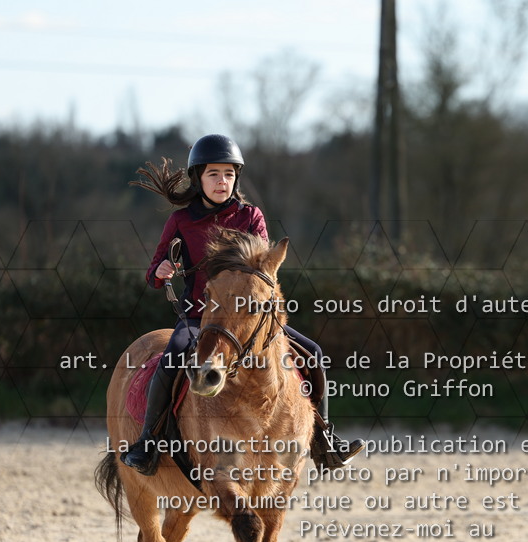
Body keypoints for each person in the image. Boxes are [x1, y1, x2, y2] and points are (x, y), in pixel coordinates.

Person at [120, 133, 364, 476]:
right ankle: (148, 441)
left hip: (250, 319)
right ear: (198, 178)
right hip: (199, 318)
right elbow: (153, 274)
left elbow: (263, 266)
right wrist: (161, 271)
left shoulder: (250, 216)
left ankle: (324, 440)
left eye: (229, 174)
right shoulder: (180, 221)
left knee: (314, 353)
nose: (222, 181)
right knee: (172, 358)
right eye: (214, 174)